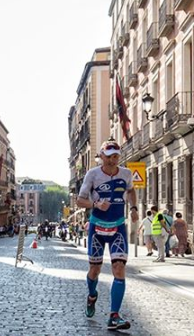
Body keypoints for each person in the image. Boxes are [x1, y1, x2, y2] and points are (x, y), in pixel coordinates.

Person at [76, 140, 138, 331]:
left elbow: (131, 190)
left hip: (118, 227)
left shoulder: (126, 173)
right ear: (101, 156)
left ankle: (114, 316)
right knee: (95, 270)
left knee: (119, 268)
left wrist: (134, 208)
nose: (112, 160)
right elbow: (80, 200)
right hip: (97, 228)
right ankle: (92, 295)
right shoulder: (92, 174)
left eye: (116, 156)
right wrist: (95, 205)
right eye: (109, 156)